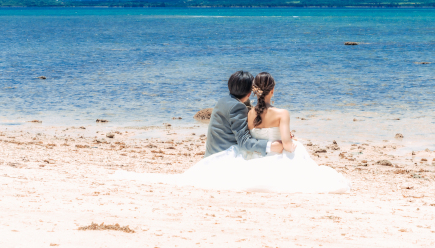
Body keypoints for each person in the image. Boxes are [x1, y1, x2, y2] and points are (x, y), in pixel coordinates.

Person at [112, 71, 350, 194]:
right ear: (249, 92)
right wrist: (272, 147)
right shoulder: (240, 107)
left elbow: (252, 131)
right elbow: (246, 142)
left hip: (216, 153)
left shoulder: (225, 101)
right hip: (224, 156)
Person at [205, 71, 284, 158]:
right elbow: (244, 141)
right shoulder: (237, 106)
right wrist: (270, 146)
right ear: (250, 93)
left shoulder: (222, 101)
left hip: (211, 153)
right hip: (224, 156)